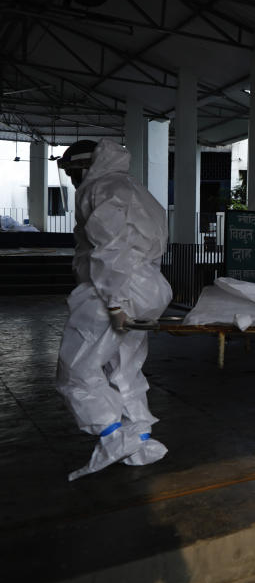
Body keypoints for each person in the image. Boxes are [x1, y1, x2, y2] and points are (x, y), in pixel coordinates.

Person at [55, 139, 173, 481]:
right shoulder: (133, 187)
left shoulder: (101, 188)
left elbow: (112, 248)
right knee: (125, 370)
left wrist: (116, 303)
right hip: (148, 286)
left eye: (72, 171)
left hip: (116, 288)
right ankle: (142, 443)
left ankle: (112, 437)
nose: (72, 179)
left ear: (82, 168)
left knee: (75, 371)